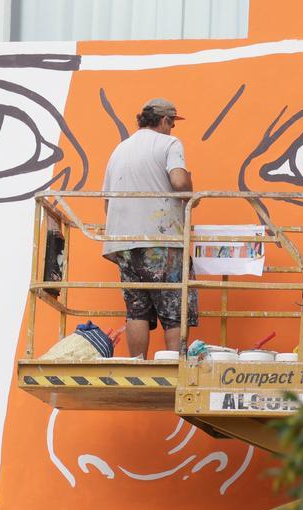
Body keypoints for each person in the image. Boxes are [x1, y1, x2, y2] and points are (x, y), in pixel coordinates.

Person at [102, 98, 196, 357]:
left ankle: (136, 364)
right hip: (161, 239)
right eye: (172, 124)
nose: (173, 129)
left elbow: (106, 203)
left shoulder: (120, 149)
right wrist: (191, 193)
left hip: (125, 242)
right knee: (175, 310)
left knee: (136, 310)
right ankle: (177, 367)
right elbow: (178, 182)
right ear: (165, 120)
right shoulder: (169, 144)